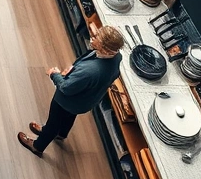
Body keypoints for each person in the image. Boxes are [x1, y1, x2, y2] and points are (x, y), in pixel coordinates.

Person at [17, 26, 126, 157]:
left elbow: (65, 88)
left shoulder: (90, 71)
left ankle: (37, 146)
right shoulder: (116, 57)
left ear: (105, 48)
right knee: (69, 117)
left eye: (97, 38)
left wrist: (54, 74)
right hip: (84, 101)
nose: (93, 37)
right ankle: (61, 134)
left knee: (54, 122)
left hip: (66, 101)